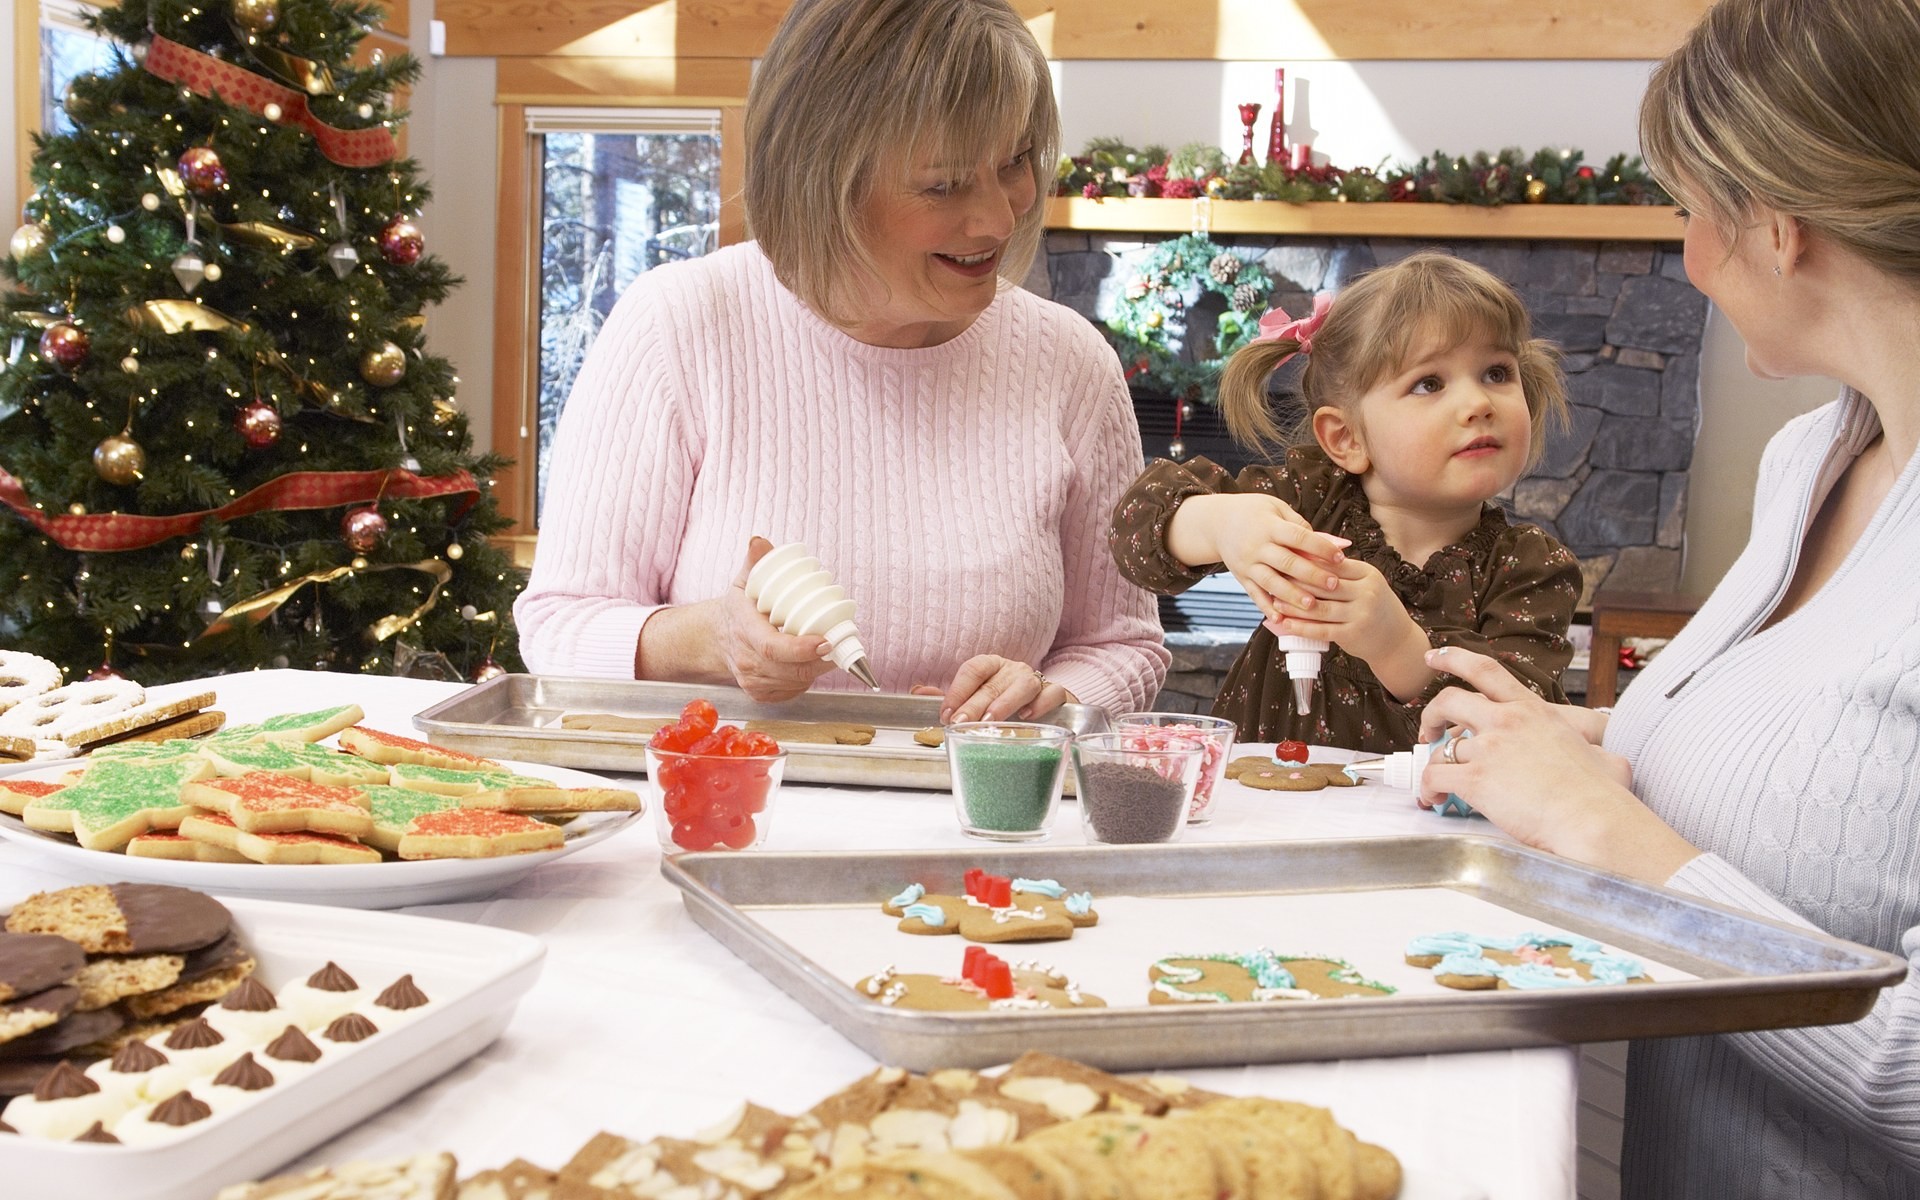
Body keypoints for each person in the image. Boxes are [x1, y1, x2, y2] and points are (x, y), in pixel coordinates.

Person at [1413, 0, 1920, 1193]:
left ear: (1777, 224)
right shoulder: (1819, 456)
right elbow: (1825, 761)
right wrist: (1563, 741)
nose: (1690, 257)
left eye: (1694, 213)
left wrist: (1601, 830)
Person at [513, 0, 1168, 721]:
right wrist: (710, 638)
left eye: (1014, 163)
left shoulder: (1069, 363)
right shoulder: (679, 324)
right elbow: (558, 627)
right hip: (726, 813)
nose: (999, 218)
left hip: (984, 825)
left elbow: (1124, 645)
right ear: (822, 180)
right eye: (944, 184)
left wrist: (1054, 700)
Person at [1108, 252, 1580, 751]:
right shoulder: (1309, 500)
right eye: (1429, 383)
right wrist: (1220, 523)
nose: (1479, 404)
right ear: (1346, 438)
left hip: (1423, 823)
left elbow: (1520, 727)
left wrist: (1396, 645)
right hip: (1268, 804)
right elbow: (1132, 533)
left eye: (1497, 374)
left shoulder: (1531, 567)